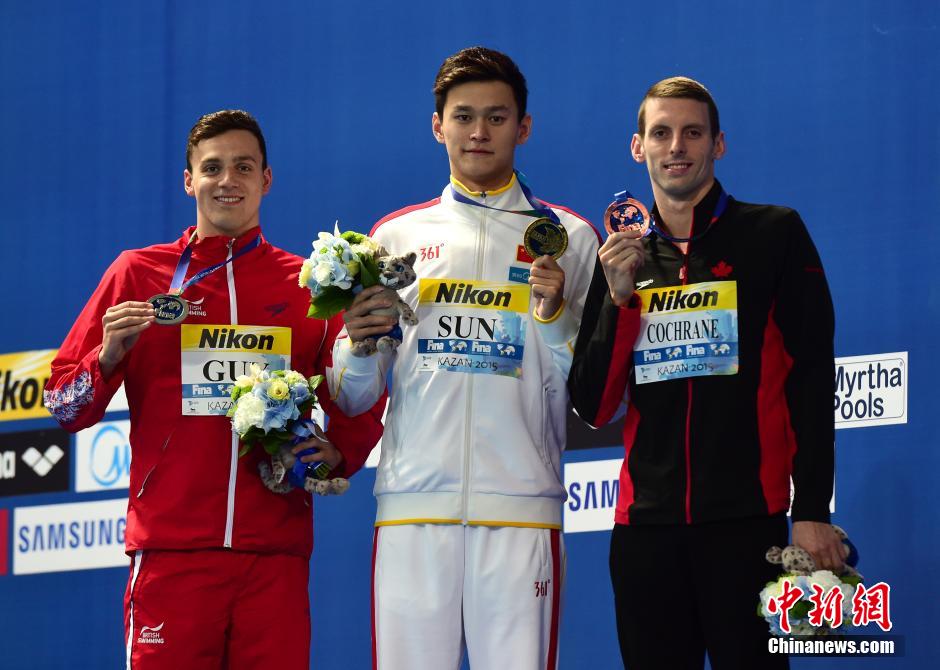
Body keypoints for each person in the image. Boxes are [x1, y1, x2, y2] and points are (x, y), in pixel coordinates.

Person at [43, 110, 385, 670]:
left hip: (273, 554)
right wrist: (106, 358)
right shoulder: (137, 275)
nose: (228, 180)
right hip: (171, 552)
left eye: (243, 167)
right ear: (189, 180)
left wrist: (341, 450)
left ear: (266, 180)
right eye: (213, 167)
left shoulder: (309, 289)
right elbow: (63, 406)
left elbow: (357, 392)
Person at [326, 47, 599, 669]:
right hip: (412, 510)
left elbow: (594, 390)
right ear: (437, 125)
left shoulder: (570, 238)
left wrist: (555, 317)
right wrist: (360, 345)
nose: (479, 132)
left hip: (521, 510)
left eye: (497, 118)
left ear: (523, 127)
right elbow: (353, 395)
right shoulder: (393, 238)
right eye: (464, 116)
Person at [568, 77, 847, 669]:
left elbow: (811, 379)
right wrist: (619, 301)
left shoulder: (774, 234)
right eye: (661, 133)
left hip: (750, 524)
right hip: (646, 529)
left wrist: (813, 511)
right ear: (637, 147)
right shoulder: (619, 257)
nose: (677, 146)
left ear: (718, 144)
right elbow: (591, 405)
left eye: (692, 132)